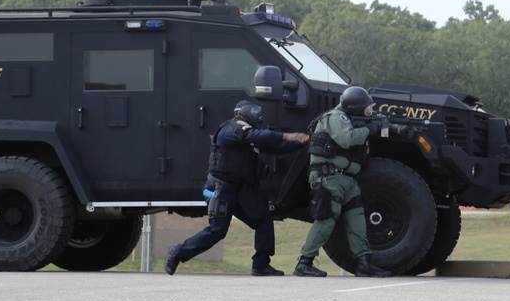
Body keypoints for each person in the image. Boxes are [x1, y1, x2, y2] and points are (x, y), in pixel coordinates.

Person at [165, 100, 309, 276]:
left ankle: (261, 265)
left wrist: (302, 143)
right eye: (255, 112)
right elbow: (258, 135)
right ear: (245, 113)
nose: (258, 116)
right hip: (217, 189)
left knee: (263, 218)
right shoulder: (233, 129)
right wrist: (288, 135)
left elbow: (275, 147)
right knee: (217, 230)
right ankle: (177, 253)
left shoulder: (249, 135)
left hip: (240, 190)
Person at [293, 86, 397, 278]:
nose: (369, 111)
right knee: (326, 219)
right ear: (355, 107)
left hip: (347, 180)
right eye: (366, 108)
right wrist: (369, 129)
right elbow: (346, 139)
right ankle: (304, 262)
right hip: (329, 178)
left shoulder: (348, 119)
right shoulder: (336, 117)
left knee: (357, 220)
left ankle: (364, 263)